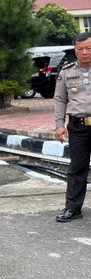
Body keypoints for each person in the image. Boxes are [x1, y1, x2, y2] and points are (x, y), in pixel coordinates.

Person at [54, 32, 91, 223]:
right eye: (80, 49)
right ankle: (73, 208)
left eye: (89, 48)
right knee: (77, 168)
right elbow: (60, 100)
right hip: (78, 127)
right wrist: (59, 125)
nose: (84, 52)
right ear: (75, 51)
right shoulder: (66, 72)